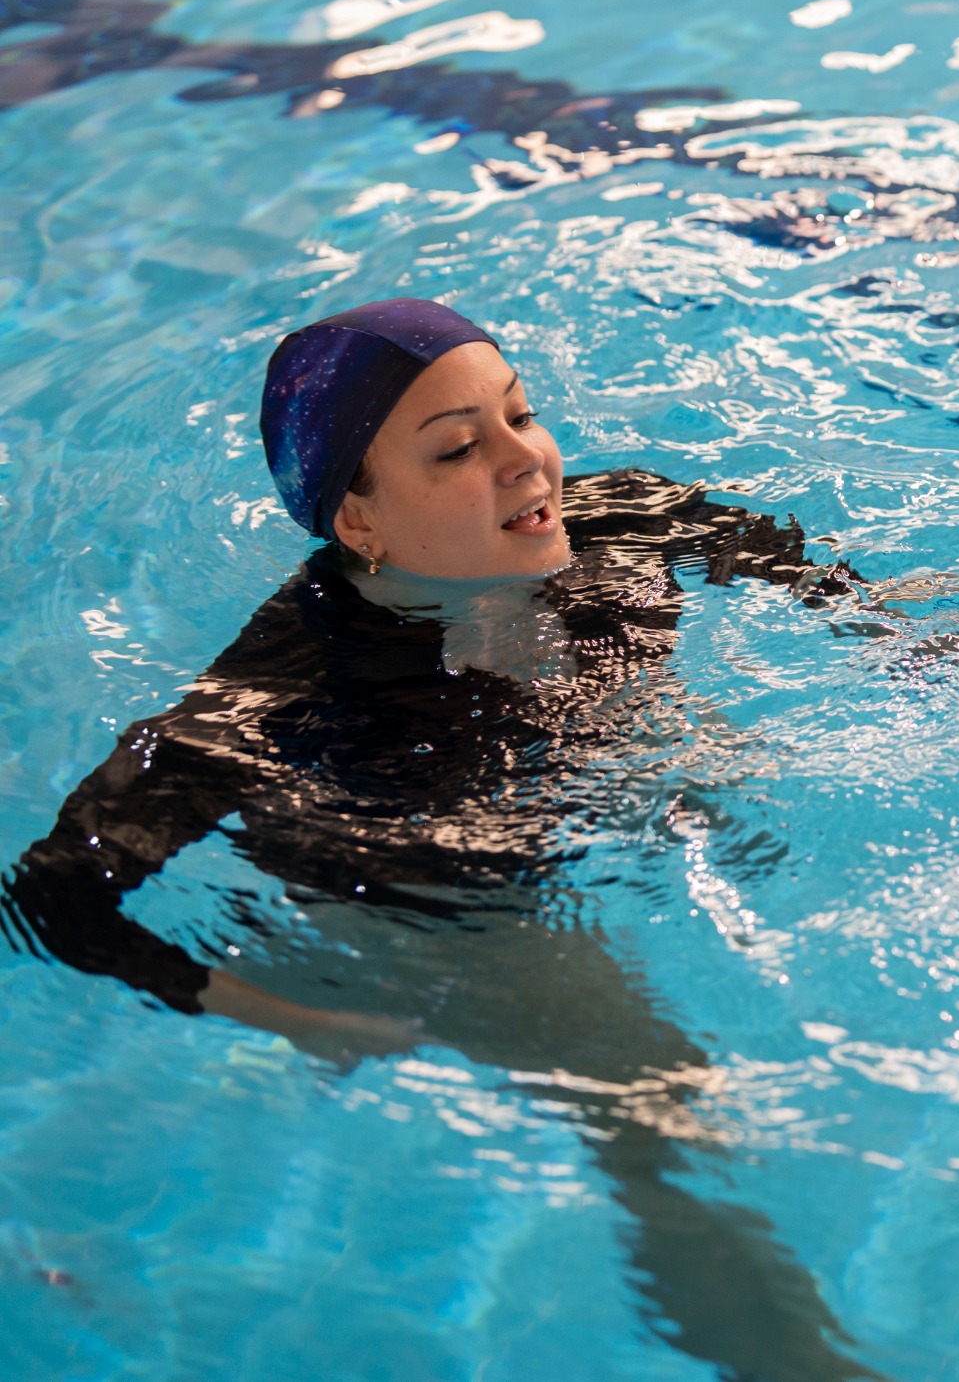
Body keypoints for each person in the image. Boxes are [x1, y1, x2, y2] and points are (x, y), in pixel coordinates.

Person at [4, 299, 877, 1381]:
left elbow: (765, 546)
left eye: (522, 413)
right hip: (435, 900)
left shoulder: (622, 519)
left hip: (580, 807)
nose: (528, 463)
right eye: (461, 447)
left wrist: (905, 628)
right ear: (357, 521)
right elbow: (55, 892)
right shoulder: (279, 692)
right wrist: (287, 1015)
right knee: (661, 1108)